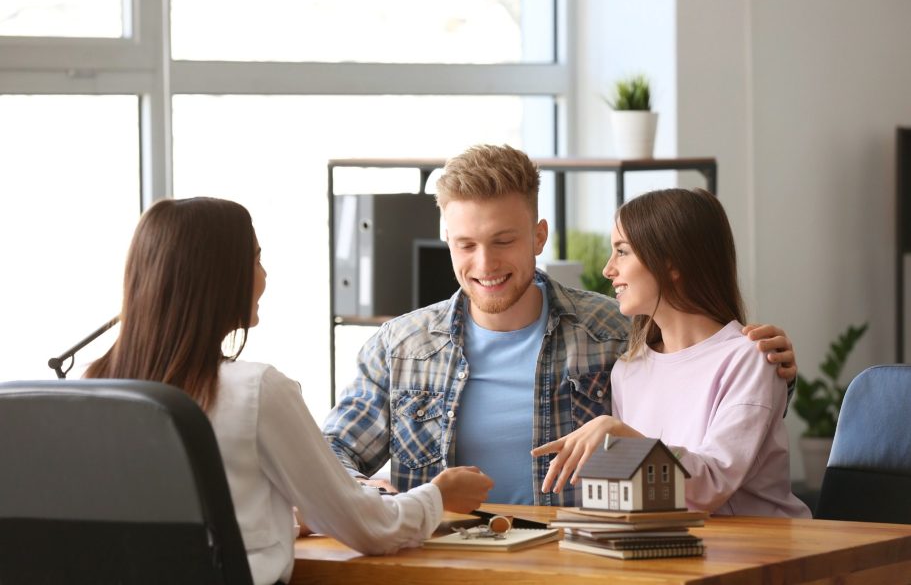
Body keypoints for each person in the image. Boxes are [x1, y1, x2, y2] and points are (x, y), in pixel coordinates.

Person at [322, 144, 799, 507]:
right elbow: (331, 453)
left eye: (503, 240)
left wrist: (773, 368)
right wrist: (378, 496)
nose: (484, 263)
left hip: (574, 565)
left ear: (538, 236)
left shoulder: (616, 333)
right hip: (443, 564)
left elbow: (701, 386)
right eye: (465, 244)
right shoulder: (400, 347)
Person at [84, 197, 493, 585]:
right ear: (219, 277)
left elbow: (194, 523)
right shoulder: (256, 390)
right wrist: (438, 495)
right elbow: (370, 529)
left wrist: (295, 518)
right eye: (257, 259)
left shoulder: (92, 390)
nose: (264, 275)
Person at [531, 188, 810, 517]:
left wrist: (623, 436)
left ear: (672, 263)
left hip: (760, 556)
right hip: (674, 552)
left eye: (622, 251)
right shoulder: (628, 370)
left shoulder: (748, 359)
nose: (608, 269)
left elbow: (709, 486)